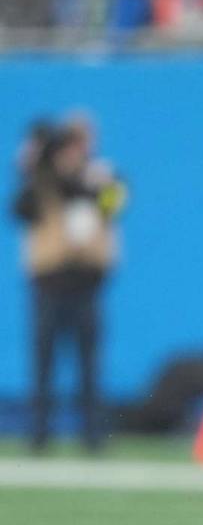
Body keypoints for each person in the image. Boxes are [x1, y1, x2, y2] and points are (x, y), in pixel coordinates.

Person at [13, 119, 125, 454]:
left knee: (89, 364)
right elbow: (20, 209)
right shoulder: (42, 180)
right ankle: (39, 435)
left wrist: (94, 183)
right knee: (44, 363)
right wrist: (34, 167)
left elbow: (113, 206)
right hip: (49, 282)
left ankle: (92, 436)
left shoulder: (102, 176)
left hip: (86, 282)